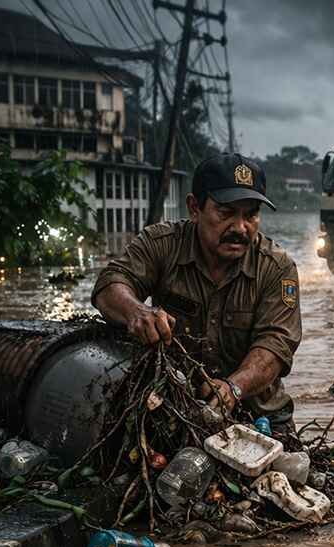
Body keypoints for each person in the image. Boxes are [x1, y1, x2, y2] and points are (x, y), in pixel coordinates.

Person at [92, 153, 303, 432]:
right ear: (194, 207)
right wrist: (136, 311)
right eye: (226, 213)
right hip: (174, 408)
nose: (240, 228)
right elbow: (111, 283)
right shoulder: (162, 244)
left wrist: (233, 388)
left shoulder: (277, 267)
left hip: (259, 417)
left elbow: (276, 345)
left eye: (250, 214)